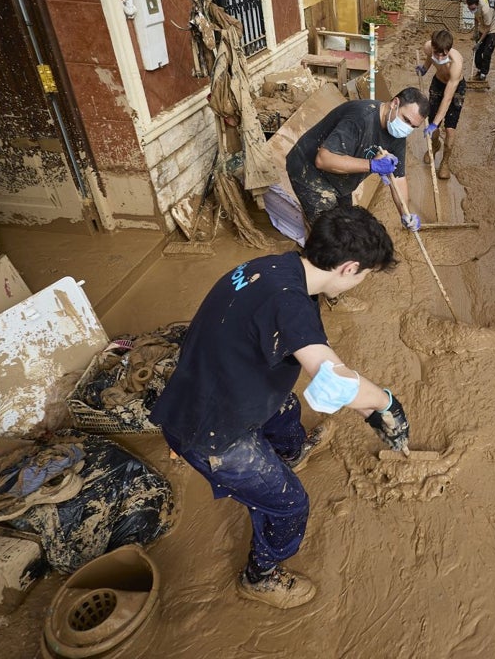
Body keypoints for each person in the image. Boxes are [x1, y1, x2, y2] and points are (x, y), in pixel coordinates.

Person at [149, 205, 412, 609]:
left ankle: (291, 452)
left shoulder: (277, 267)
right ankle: (261, 576)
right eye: (365, 275)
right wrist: (383, 403)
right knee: (290, 504)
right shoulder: (289, 304)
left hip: (212, 379)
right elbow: (333, 380)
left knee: (286, 405)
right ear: (348, 268)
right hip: (209, 427)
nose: (362, 282)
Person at [285, 86, 428, 232]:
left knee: (348, 225)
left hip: (341, 178)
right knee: (329, 234)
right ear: (394, 104)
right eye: (406, 120)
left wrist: (405, 214)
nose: (406, 128)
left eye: (413, 127)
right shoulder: (360, 117)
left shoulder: (398, 134)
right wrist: (372, 165)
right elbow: (323, 159)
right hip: (308, 171)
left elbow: (398, 178)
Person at [415, 28, 466, 180]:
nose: (440, 56)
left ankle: (445, 162)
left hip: (455, 89)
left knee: (449, 129)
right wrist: (424, 68)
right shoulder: (428, 47)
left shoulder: (456, 64)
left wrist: (436, 123)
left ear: (448, 50)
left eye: (444, 53)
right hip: (437, 83)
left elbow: (447, 98)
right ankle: (435, 144)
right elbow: (430, 57)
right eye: (437, 53)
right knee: (431, 123)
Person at [466, 0, 495, 82]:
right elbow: (476, 18)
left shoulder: (485, 9)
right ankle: (479, 70)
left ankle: (483, 75)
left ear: (477, 5)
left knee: (487, 52)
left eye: (473, 9)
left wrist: (479, 42)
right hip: (483, 25)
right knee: (477, 51)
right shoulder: (474, 3)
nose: (471, 10)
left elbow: (488, 28)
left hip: (493, 26)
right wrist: (475, 32)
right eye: (470, 9)